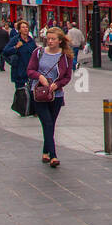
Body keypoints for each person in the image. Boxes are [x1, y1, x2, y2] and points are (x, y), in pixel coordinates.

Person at [28, 27, 73, 168]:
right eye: (48, 39)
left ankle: (45, 152)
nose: (50, 41)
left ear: (60, 41)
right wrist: (40, 77)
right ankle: (53, 156)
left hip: (56, 95)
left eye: (53, 39)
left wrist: (57, 85)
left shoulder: (66, 56)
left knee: (51, 124)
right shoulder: (38, 52)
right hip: (39, 94)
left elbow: (67, 77)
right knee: (47, 123)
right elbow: (30, 70)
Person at [2, 22, 37, 89]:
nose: (25, 29)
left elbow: (35, 54)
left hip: (30, 70)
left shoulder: (31, 40)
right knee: (21, 93)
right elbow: (5, 51)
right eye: (23, 27)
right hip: (19, 71)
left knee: (31, 92)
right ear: (19, 30)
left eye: (26, 27)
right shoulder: (15, 40)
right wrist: (16, 47)